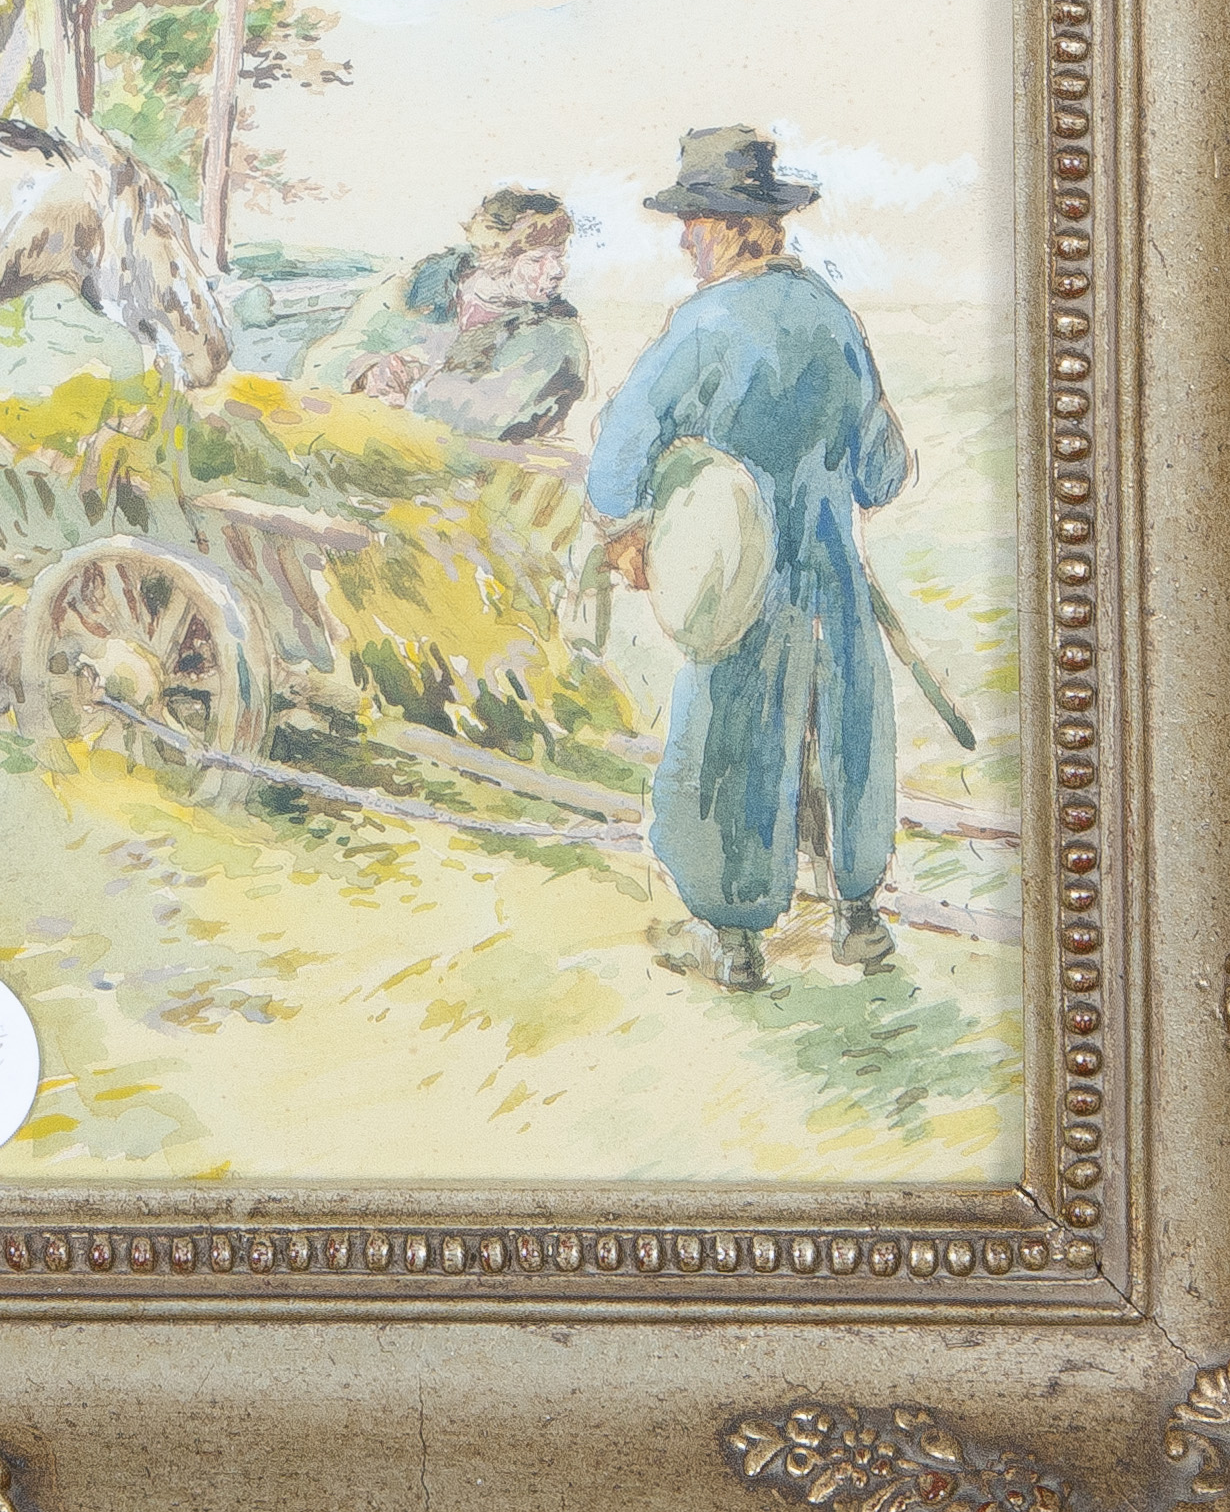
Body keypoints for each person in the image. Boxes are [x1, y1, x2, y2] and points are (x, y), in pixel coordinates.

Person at [584, 127, 910, 992]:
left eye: (691, 223)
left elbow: (621, 445)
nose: (683, 241)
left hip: (741, 577)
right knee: (841, 729)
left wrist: (625, 527)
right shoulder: (831, 316)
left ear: (730, 226)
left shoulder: (702, 325)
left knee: (732, 735)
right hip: (831, 578)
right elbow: (881, 468)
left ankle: (730, 940)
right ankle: (858, 919)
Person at [303, 187, 588, 446]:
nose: (557, 271)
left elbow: (490, 416)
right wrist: (368, 370)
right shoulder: (417, 289)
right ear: (496, 258)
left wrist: (415, 381)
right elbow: (322, 358)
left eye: (558, 256)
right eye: (537, 259)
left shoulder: (557, 333)